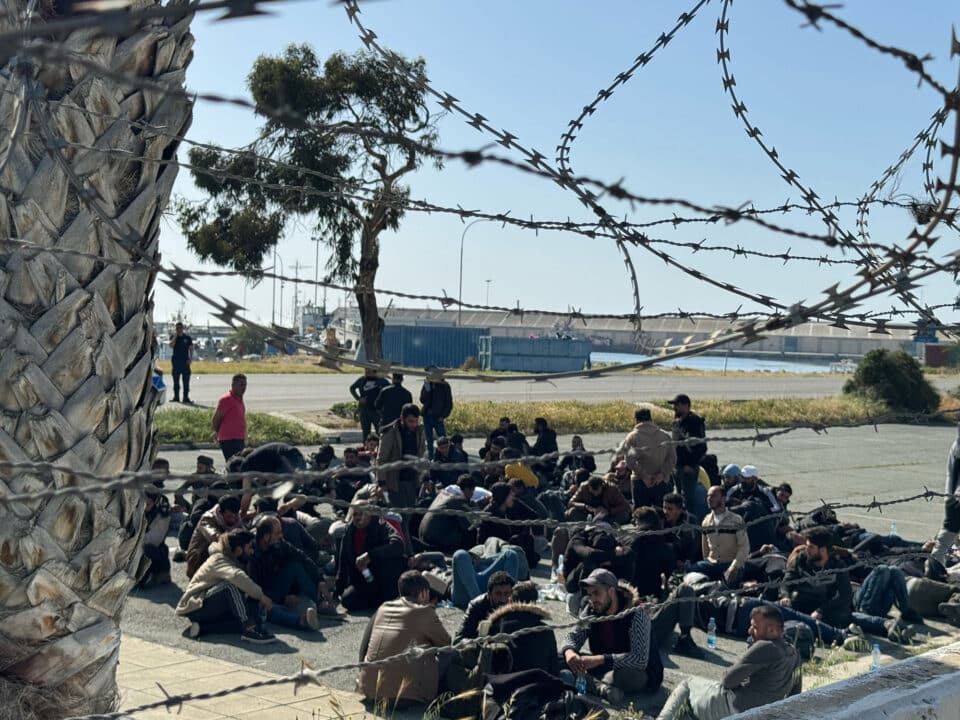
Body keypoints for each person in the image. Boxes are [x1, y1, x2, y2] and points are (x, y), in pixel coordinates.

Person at [655, 605, 800, 720]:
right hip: (762, 715)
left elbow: (727, 681)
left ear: (772, 630)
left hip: (736, 710)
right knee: (691, 708)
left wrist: (749, 654)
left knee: (688, 684)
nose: (750, 630)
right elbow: (795, 695)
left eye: (755, 627)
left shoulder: (765, 647)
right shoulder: (795, 654)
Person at [781, 528, 915, 643]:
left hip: (825, 608)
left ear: (822, 550)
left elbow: (845, 595)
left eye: (810, 547)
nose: (806, 550)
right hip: (801, 605)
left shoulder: (837, 565)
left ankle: (896, 623)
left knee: (845, 616)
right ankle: (887, 626)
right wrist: (785, 595)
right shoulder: (801, 560)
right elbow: (787, 580)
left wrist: (822, 610)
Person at [559, 569, 663, 704]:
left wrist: (600, 660)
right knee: (559, 658)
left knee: (620, 677)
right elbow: (573, 636)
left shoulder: (636, 613)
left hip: (635, 671)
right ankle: (600, 687)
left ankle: (589, 681)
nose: (592, 599)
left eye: (596, 593)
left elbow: (640, 659)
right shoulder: (591, 609)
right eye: (590, 594)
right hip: (604, 663)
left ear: (611, 592)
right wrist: (569, 652)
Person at [357, 570, 451, 707]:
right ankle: (437, 696)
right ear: (424, 593)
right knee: (447, 654)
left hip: (368, 689)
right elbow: (446, 643)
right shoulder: (424, 611)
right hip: (400, 697)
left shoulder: (383, 608)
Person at [176, 528, 276, 643]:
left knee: (248, 614)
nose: (252, 551)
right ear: (238, 550)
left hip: (207, 606)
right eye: (249, 547)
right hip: (195, 606)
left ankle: (202, 628)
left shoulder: (234, 559)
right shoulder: (219, 559)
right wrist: (261, 596)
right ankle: (249, 630)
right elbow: (236, 576)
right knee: (230, 586)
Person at [248, 516, 323, 631]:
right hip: (260, 594)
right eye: (277, 533)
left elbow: (301, 556)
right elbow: (253, 589)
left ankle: (319, 603)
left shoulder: (279, 544)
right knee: (266, 609)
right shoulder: (250, 553)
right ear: (266, 537)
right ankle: (302, 621)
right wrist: (284, 599)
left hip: (276, 586)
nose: (281, 536)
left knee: (295, 567)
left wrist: (320, 579)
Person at [335, 500, 405, 611]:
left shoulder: (381, 525)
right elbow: (343, 561)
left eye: (361, 513)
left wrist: (370, 555)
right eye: (355, 514)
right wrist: (338, 590)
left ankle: (387, 599)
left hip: (382, 576)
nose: (357, 518)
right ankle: (379, 601)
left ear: (369, 513)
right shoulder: (349, 530)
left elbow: (398, 544)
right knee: (347, 600)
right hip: (363, 579)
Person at [479, 580, 560, 676]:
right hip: (537, 686)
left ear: (510, 601)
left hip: (500, 686)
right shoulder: (545, 630)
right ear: (535, 603)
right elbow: (554, 670)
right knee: (566, 674)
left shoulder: (493, 627)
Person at [620, 408, 676, 509]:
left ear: (636, 420)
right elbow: (672, 458)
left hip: (640, 482)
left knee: (641, 514)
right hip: (661, 481)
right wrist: (662, 474)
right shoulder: (665, 435)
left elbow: (630, 461)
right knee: (663, 513)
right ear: (651, 418)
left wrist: (644, 475)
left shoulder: (632, 437)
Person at [693, 485, 748, 584]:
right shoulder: (706, 522)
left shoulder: (736, 520)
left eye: (713, 496)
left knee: (731, 580)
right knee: (691, 571)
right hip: (712, 564)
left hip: (730, 563)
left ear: (723, 498)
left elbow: (744, 547)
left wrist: (734, 566)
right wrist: (707, 562)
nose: (709, 499)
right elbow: (705, 549)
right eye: (708, 496)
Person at [927, 423, 960, 580]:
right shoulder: (957, 447)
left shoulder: (956, 445)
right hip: (956, 497)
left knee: (946, 538)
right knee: (947, 536)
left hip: (953, 496)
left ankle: (936, 570)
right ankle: (943, 574)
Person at [725, 465, 781, 551]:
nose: (743, 480)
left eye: (747, 478)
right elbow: (724, 506)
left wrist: (760, 508)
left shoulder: (765, 492)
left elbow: (777, 509)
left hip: (761, 527)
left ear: (755, 479)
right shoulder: (733, 490)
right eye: (742, 477)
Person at [186, 495, 245, 578]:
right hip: (198, 563)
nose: (233, 520)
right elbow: (215, 537)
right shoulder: (207, 519)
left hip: (221, 563)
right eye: (229, 517)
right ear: (220, 512)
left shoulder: (236, 520)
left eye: (235, 516)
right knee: (218, 546)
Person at [453, 571, 516, 642]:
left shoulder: (517, 604)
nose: (503, 599)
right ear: (489, 594)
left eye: (507, 593)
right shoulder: (477, 606)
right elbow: (458, 639)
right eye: (498, 594)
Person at [420, 474, 476, 553]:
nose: (472, 494)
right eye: (472, 491)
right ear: (467, 489)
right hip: (435, 542)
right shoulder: (458, 500)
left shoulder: (444, 493)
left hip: (423, 537)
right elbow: (467, 526)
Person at [671, 393, 707, 510]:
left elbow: (701, 446)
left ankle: (689, 524)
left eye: (677, 405)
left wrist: (690, 464)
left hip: (688, 468)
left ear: (686, 406)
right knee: (677, 498)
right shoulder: (677, 422)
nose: (674, 408)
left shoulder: (694, 421)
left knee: (688, 499)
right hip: (677, 466)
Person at [138, 485, 172, 588]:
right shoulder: (135, 508)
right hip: (136, 544)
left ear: (155, 502)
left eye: (147, 504)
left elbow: (154, 539)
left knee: (148, 549)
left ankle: (154, 575)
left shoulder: (162, 514)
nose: (144, 507)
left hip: (152, 549)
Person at [566, 475, 631, 525]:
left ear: (602, 486)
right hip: (589, 514)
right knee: (572, 512)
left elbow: (625, 505)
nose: (595, 493)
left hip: (608, 515)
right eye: (592, 491)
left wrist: (609, 510)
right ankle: (588, 524)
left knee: (624, 515)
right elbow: (571, 503)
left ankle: (605, 524)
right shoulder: (583, 487)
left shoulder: (612, 488)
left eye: (597, 490)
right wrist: (585, 506)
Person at [420, 366, 454, 457]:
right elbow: (422, 399)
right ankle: (431, 456)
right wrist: (427, 389)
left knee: (442, 438)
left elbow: (449, 403)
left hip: (438, 416)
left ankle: (446, 455)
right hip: (427, 415)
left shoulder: (444, 385)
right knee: (429, 439)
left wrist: (443, 416)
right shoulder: (427, 385)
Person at [212, 374, 247, 461]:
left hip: (239, 438)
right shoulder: (226, 399)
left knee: (240, 464)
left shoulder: (239, 399)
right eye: (241, 385)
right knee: (233, 464)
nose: (244, 388)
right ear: (233, 385)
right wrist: (216, 432)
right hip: (229, 439)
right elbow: (216, 418)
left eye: (245, 385)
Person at [350, 367, 389, 442]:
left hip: (377, 411)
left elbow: (390, 390)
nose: (366, 372)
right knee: (365, 432)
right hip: (365, 410)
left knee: (379, 431)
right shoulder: (362, 380)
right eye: (365, 370)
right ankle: (366, 447)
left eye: (368, 370)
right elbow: (352, 388)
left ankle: (379, 448)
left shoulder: (382, 381)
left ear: (374, 371)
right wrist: (358, 398)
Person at [662, 492, 702, 566]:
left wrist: (684, 561)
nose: (665, 512)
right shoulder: (661, 519)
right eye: (664, 508)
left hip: (689, 561)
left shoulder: (690, 522)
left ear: (679, 510)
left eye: (670, 509)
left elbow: (694, 547)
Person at [169, 321, 193, 403]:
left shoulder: (187, 338)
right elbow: (171, 345)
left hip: (185, 362)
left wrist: (190, 358)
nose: (179, 329)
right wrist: (175, 336)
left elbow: (191, 348)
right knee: (176, 381)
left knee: (186, 381)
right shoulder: (173, 337)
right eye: (177, 328)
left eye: (180, 328)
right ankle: (176, 397)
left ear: (183, 328)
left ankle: (186, 397)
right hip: (176, 362)